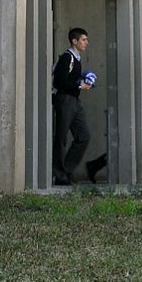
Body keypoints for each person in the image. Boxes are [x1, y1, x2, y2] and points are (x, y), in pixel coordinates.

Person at [51, 27, 93, 185]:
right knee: (61, 138)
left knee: (84, 136)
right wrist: (79, 86)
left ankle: (65, 170)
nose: (86, 43)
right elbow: (59, 82)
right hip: (65, 100)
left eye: (86, 40)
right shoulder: (67, 58)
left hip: (75, 102)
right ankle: (59, 175)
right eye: (83, 40)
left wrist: (82, 83)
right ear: (74, 41)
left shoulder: (77, 59)